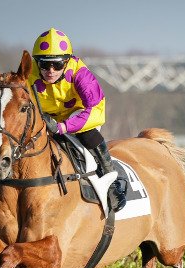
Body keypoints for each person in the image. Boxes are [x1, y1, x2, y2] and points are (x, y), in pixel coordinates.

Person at [28, 27, 126, 212]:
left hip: (79, 113)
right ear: (36, 62)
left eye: (57, 65)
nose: (50, 71)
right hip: (47, 115)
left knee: (87, 133)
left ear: (67, 61)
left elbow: (94, 110)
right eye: (44, 64)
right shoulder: (28, 74)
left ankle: (111, 181)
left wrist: (62, 127)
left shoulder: (80, 74)